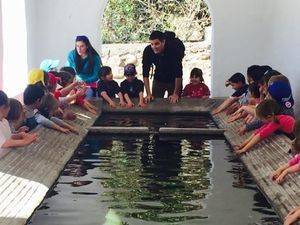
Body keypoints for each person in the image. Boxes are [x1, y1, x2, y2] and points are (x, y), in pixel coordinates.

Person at [142, 31, 185, 103]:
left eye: (157, 44)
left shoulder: (173, 50)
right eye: (152, 44)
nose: (154, 47)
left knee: (174, 103)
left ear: (163, 42)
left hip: (173, 79)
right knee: (154, 102)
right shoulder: (148, 51)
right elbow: (145, 73)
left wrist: (176, 93)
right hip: (159, 78)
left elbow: (179, 73)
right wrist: (148, 93)